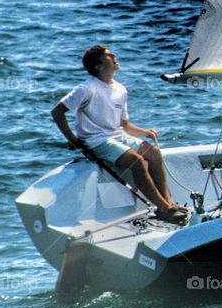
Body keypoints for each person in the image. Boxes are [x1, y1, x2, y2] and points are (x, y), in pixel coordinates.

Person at [51, 45, 189, 223]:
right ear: (98, 66)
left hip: (117, 137)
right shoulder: (87, 88)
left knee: (153, 153)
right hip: (97, 141)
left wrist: (145, 132)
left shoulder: (121, 89)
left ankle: (168, 204)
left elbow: (123, 124)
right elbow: (57, 112)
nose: (114, 55)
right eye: (108, 55)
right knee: (137, 161)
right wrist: (73, 140)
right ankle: (164, 208)